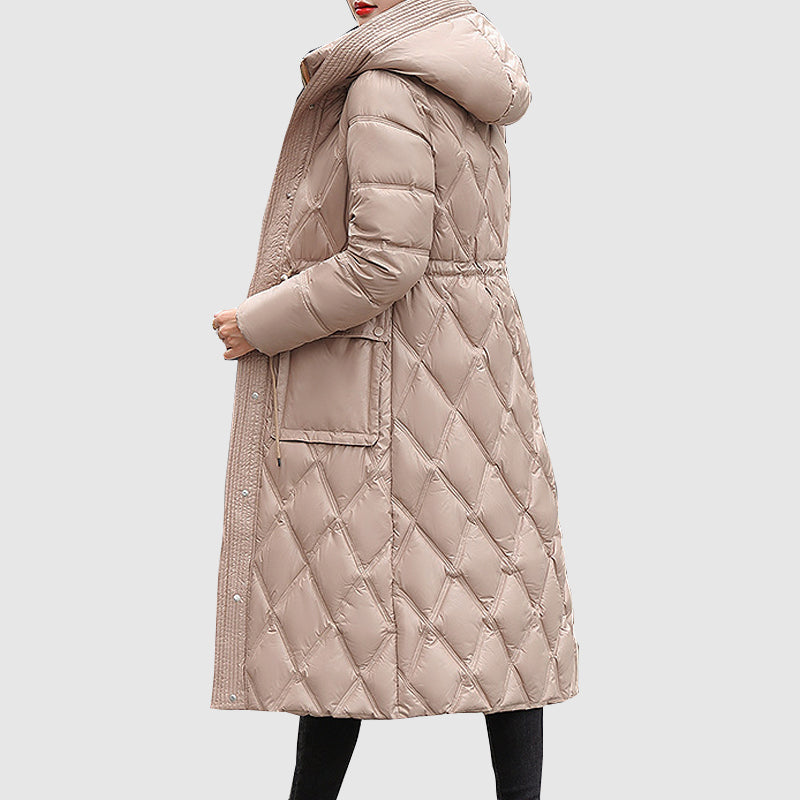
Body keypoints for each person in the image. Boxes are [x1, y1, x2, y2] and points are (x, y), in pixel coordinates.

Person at [211, 1, 579, 798]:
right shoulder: (470, 77)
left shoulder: (383, 84)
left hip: (393, 372)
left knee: (339, 605)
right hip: (480, 365)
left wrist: (259, 323)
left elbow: (385, 260)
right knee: (502, 598)